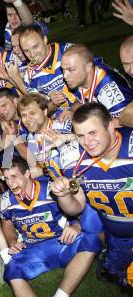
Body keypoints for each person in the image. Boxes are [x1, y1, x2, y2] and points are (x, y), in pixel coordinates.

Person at [50, 103, 133, 288]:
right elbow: (77, 207)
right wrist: (63, 195)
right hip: (116, 234)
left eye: (93, 133)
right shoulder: (73, 158)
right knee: (116, 273)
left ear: (111, 126)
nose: (87, 142)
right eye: (80, 135)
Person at [0, 157, 102, 297]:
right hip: (32, 248)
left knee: (92, 240)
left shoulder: (50, 189)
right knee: (11, 270)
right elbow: (7, 226)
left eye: (14, 177)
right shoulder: (5, 201)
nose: (10, 183)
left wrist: (77, 227)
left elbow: (76, 211)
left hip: (62, 242)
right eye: (6, 179)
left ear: (28, 173)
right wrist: (12, 241)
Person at [61, 44, 133, 127]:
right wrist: (73, 111)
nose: (65, 76)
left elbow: (123, 121)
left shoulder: (108, 88)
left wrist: (89, 123)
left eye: (71, 70)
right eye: (63, 70)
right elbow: (79, 100)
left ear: (88, 67)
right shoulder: (80, 76)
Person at [18, 24, 75, 119]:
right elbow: (41, 112)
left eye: (35, 47)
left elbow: (91, 78)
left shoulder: (67, 51)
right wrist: (53, 103)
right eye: (26, 51)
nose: (32, 54)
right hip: (61, 118)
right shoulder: (29, 76)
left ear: (45, 40)